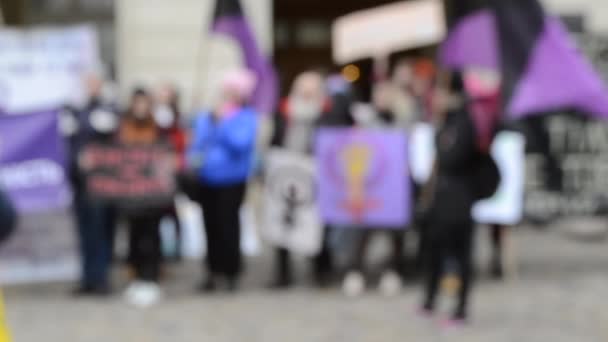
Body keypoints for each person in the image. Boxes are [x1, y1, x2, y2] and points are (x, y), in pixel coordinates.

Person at [419, 72, 481, 326]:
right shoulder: (445, 123)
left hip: (458, 202)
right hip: (440, 201)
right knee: (434, 252)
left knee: (460, 256)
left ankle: (460, 308)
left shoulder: (464, 122)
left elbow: (452, 158)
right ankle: (430, 299)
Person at [188, 69, 258, 292]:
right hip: (207, 178)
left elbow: (240, 145)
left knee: (229, 225)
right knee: (210, 226)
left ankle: (231, 271)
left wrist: (223, 124)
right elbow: (197, 143)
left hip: (231, 179)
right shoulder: (208, 116)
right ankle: (212, 270)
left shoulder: (246, 118)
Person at [266, 71, 333, 289]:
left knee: (318, 224)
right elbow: (275, 139)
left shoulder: (327, 112)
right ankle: (282, 273)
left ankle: (320, 271)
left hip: (316, 175)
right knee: (283, 220)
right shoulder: (284, 110)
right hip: (288, 174)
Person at [341, 82, 407, 297]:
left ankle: (392, 271)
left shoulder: (403, 119)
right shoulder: (365, 120)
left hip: (394, 186)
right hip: (371, 184)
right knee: (362, 231)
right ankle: (355, 271)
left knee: (394, 231)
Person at [60, 72, 119, 296]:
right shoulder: (77, 109)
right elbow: (70, 137)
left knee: (101, 230)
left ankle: (101, 277)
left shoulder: (107, 108)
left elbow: (103, 129)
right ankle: (88, 277)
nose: (91, 86)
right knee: (85, 231)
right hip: (80, 180)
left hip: (102, 181)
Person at [119, 88, 167, 307]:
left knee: (152, 236)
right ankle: (138, 276)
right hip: (131, 192)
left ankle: (152, 277)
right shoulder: (124, 126)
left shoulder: (158, 126)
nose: (140, 107)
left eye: (144, 103)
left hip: (153, 193)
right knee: (135, 236)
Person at [154, 83, 187, 261]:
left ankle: (177, 247)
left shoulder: (178, 119)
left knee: (172, 210)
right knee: (157, 212)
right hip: (154, 170)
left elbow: (182, 141)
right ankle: (158, 248)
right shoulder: (154, 116)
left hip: (171, 169)